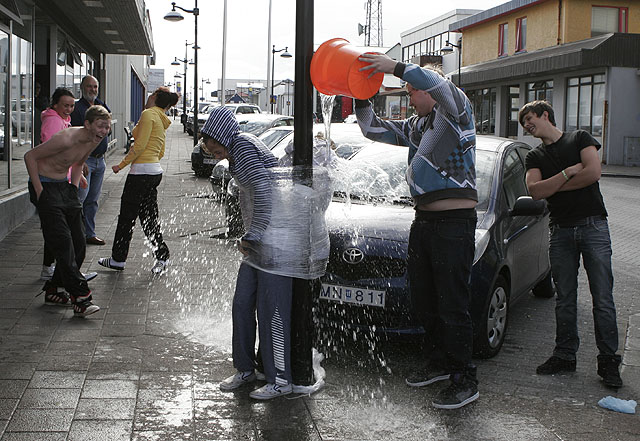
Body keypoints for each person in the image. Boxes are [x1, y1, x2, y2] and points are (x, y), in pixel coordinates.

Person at [355, 54, 478, 409]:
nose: (410, 96)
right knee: (424, 298)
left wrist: (392, 66)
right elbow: (372, 129)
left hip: (455, 224)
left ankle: (464, 377)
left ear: (428, 90)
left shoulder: (457, 110)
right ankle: (440, 362)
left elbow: (437, 83)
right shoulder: (417, 126)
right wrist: (360, 94)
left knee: (453, 303)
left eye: (413, 90)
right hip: (423, 222)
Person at [519, 100, 623, 388]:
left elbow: (593, 173)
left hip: (593, 227)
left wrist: (555, 187)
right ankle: (565, 355)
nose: (527, 125)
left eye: (529, 118)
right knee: (564, 298)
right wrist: (567, 173)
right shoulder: (534, 157)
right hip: (561, 231)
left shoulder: (580, 138)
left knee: (602, 298)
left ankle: (608, 362)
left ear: (545, 115)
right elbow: (536, 192)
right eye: (523, 122)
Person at [200, 106, 293, 400]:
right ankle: (245, 369)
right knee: (242, 304)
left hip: (275, 242)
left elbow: (265, 193)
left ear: (222, 135)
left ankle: (280, 379)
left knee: (271, 313)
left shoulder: (243, 147)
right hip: (258, 243)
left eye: (214, 148)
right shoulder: (235, 151)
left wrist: (253, 234)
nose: (214, 155)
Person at [24, 105, 111, 316]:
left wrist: (73, 186)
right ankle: (81, 298)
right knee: (63, 243)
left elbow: (79, 161)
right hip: (45, 186)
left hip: (65, 187)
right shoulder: (66, 138)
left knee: (79, 244)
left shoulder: (94, 140)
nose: (104, 131)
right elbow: (30, 157)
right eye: (100, 126)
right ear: (87, 124)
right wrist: (39, 190)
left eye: (107, 127)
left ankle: (53, 290)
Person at [97, 89, 179, 274]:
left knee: (126, 218)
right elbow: (160, 149)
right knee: (149, 217)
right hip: (153, 171)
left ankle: (118, 259)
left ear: (155, 98)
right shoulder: (159, 118)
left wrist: (121, 164)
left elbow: (139, 145)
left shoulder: (149, 114)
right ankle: (161, 256)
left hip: (140, 173)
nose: (147, 97)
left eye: (150, 95)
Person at [39, 87, 76, 281]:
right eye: (65, 105)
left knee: (59, 229)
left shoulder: (63, 120)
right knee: (58, 230)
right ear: (55, 105)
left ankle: (56, 267)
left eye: (71, 105)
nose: (69, 109)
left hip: (60, 179)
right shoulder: (54, 121)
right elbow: (52, 149)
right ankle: (51, 268)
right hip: (50, 181)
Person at [71, 75, 111, 246]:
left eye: (95, 87)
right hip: (84, 162)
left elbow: (108, 127)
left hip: (100, 161)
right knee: (79, 199)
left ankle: (89, 233)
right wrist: (81, 160)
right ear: (82, 88)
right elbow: (74, 136)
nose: (92, 90)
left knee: (93, 200)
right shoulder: (77, 108)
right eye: (89, 86)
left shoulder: (101, 105)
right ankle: (74, 234)